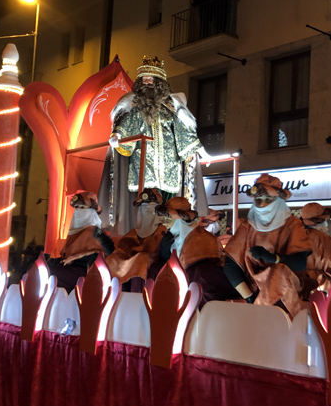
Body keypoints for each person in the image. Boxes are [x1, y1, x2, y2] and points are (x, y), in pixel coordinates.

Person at [100, 56, 210, 233]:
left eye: (151, 78)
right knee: (147, 202)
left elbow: (183, 130)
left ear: (159, 82)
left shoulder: (171, 107)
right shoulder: (136, 107)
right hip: (144, 164)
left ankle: (169, 234)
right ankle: (145, 233)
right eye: (144, 79)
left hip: (170, 167)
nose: (147, 82)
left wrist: (199, 149)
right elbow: (127, 123)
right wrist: (117, 134)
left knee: (170, 203)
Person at [222, 174, 312, 317]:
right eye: (258, 200)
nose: (262, 204)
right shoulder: (247, 227)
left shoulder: (292, 225)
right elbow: (230, 265)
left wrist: (274, 258)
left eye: (268, 199)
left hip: (286, 292)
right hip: (254, 293)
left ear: (278, 200)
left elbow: (300, 263)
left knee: (280, 271)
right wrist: (250, 298)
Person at [155, 197, 237, 307]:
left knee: (201, 274)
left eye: (168, 219)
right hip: (182, 287)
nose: (164, 223)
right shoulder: (170, 241)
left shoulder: (206, 239)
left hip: (202, 288)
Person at [105, 189, 167, 291]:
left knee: (141, 260)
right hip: (130, 259)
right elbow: (122, 248)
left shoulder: (162, 231)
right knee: (113, 259)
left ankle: (136, 296)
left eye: (150, 208)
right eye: (143, 208)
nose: (146, 211)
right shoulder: (134, 232)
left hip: (148, 261)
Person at [299, 203, 331, 296]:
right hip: (319, 287)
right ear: (320, 222)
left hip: (297, 285)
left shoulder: (292, 236)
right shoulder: (325, 240)